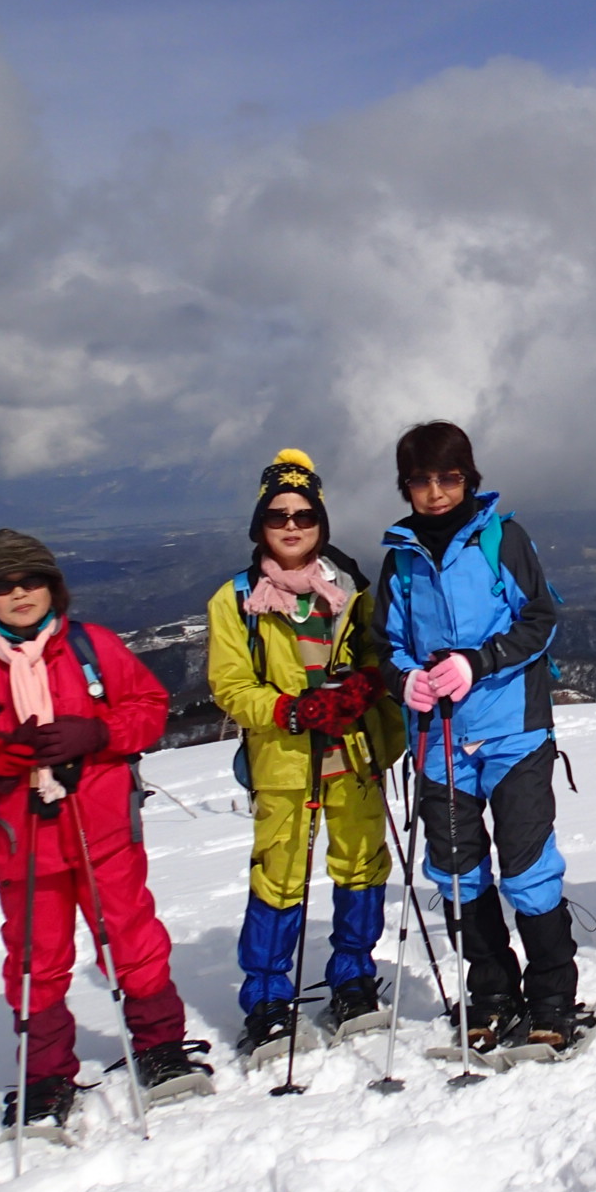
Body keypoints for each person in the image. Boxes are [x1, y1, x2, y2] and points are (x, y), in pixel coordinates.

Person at [0, 529, 209, 1134]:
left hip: (102, 829)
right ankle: (47, 1075)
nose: (19, 593)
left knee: (130, 937)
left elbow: (150, 708)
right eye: (3, 585)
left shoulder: (92, 648)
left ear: (53, 586)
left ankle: (160, 1047)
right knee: (35, 959)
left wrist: (95, 732)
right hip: (23, 844)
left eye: (30, 580)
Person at [376, 421, 583, 1049]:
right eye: (422, 480)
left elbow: (541, 618)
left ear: (469, 478)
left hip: (513, 729)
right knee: (457, 873)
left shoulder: (501, 539)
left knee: (527, 870)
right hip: (438, 741)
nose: (436, 492)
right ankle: (493, 991)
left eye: (449, 477)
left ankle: (552, 995)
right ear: (406, 486)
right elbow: (384, 645)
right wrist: (403, 679)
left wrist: (478, 662)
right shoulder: (401, 559)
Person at [206, 449, 402, 1060]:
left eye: (304, 515)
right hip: (286, 761)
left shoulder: (351, 588)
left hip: (353, 752)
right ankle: (267, 999)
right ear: (260, 525)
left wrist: (369, 685)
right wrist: (289, 710)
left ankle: (352, 978)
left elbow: (377, 653)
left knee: (361, 864)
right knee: (280, 875)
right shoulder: (236, 600)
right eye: (278, 515)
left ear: (321, 521)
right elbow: (232, 685)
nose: (292, 526)